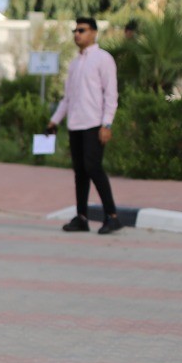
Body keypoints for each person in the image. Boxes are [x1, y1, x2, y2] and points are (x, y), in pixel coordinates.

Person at [47, 17, 122, 234]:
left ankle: (112, 216)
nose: (77, 34)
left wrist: (107, 124)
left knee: (93, 168)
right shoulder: (74, 63)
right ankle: (82, 217)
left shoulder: (103, 59)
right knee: (80, 172)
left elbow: (111, 94)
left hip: (94, 124)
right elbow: (67, 98)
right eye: (75, 31)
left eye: (82, 30)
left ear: (94, 33)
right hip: (76, 125)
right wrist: (54, 120)